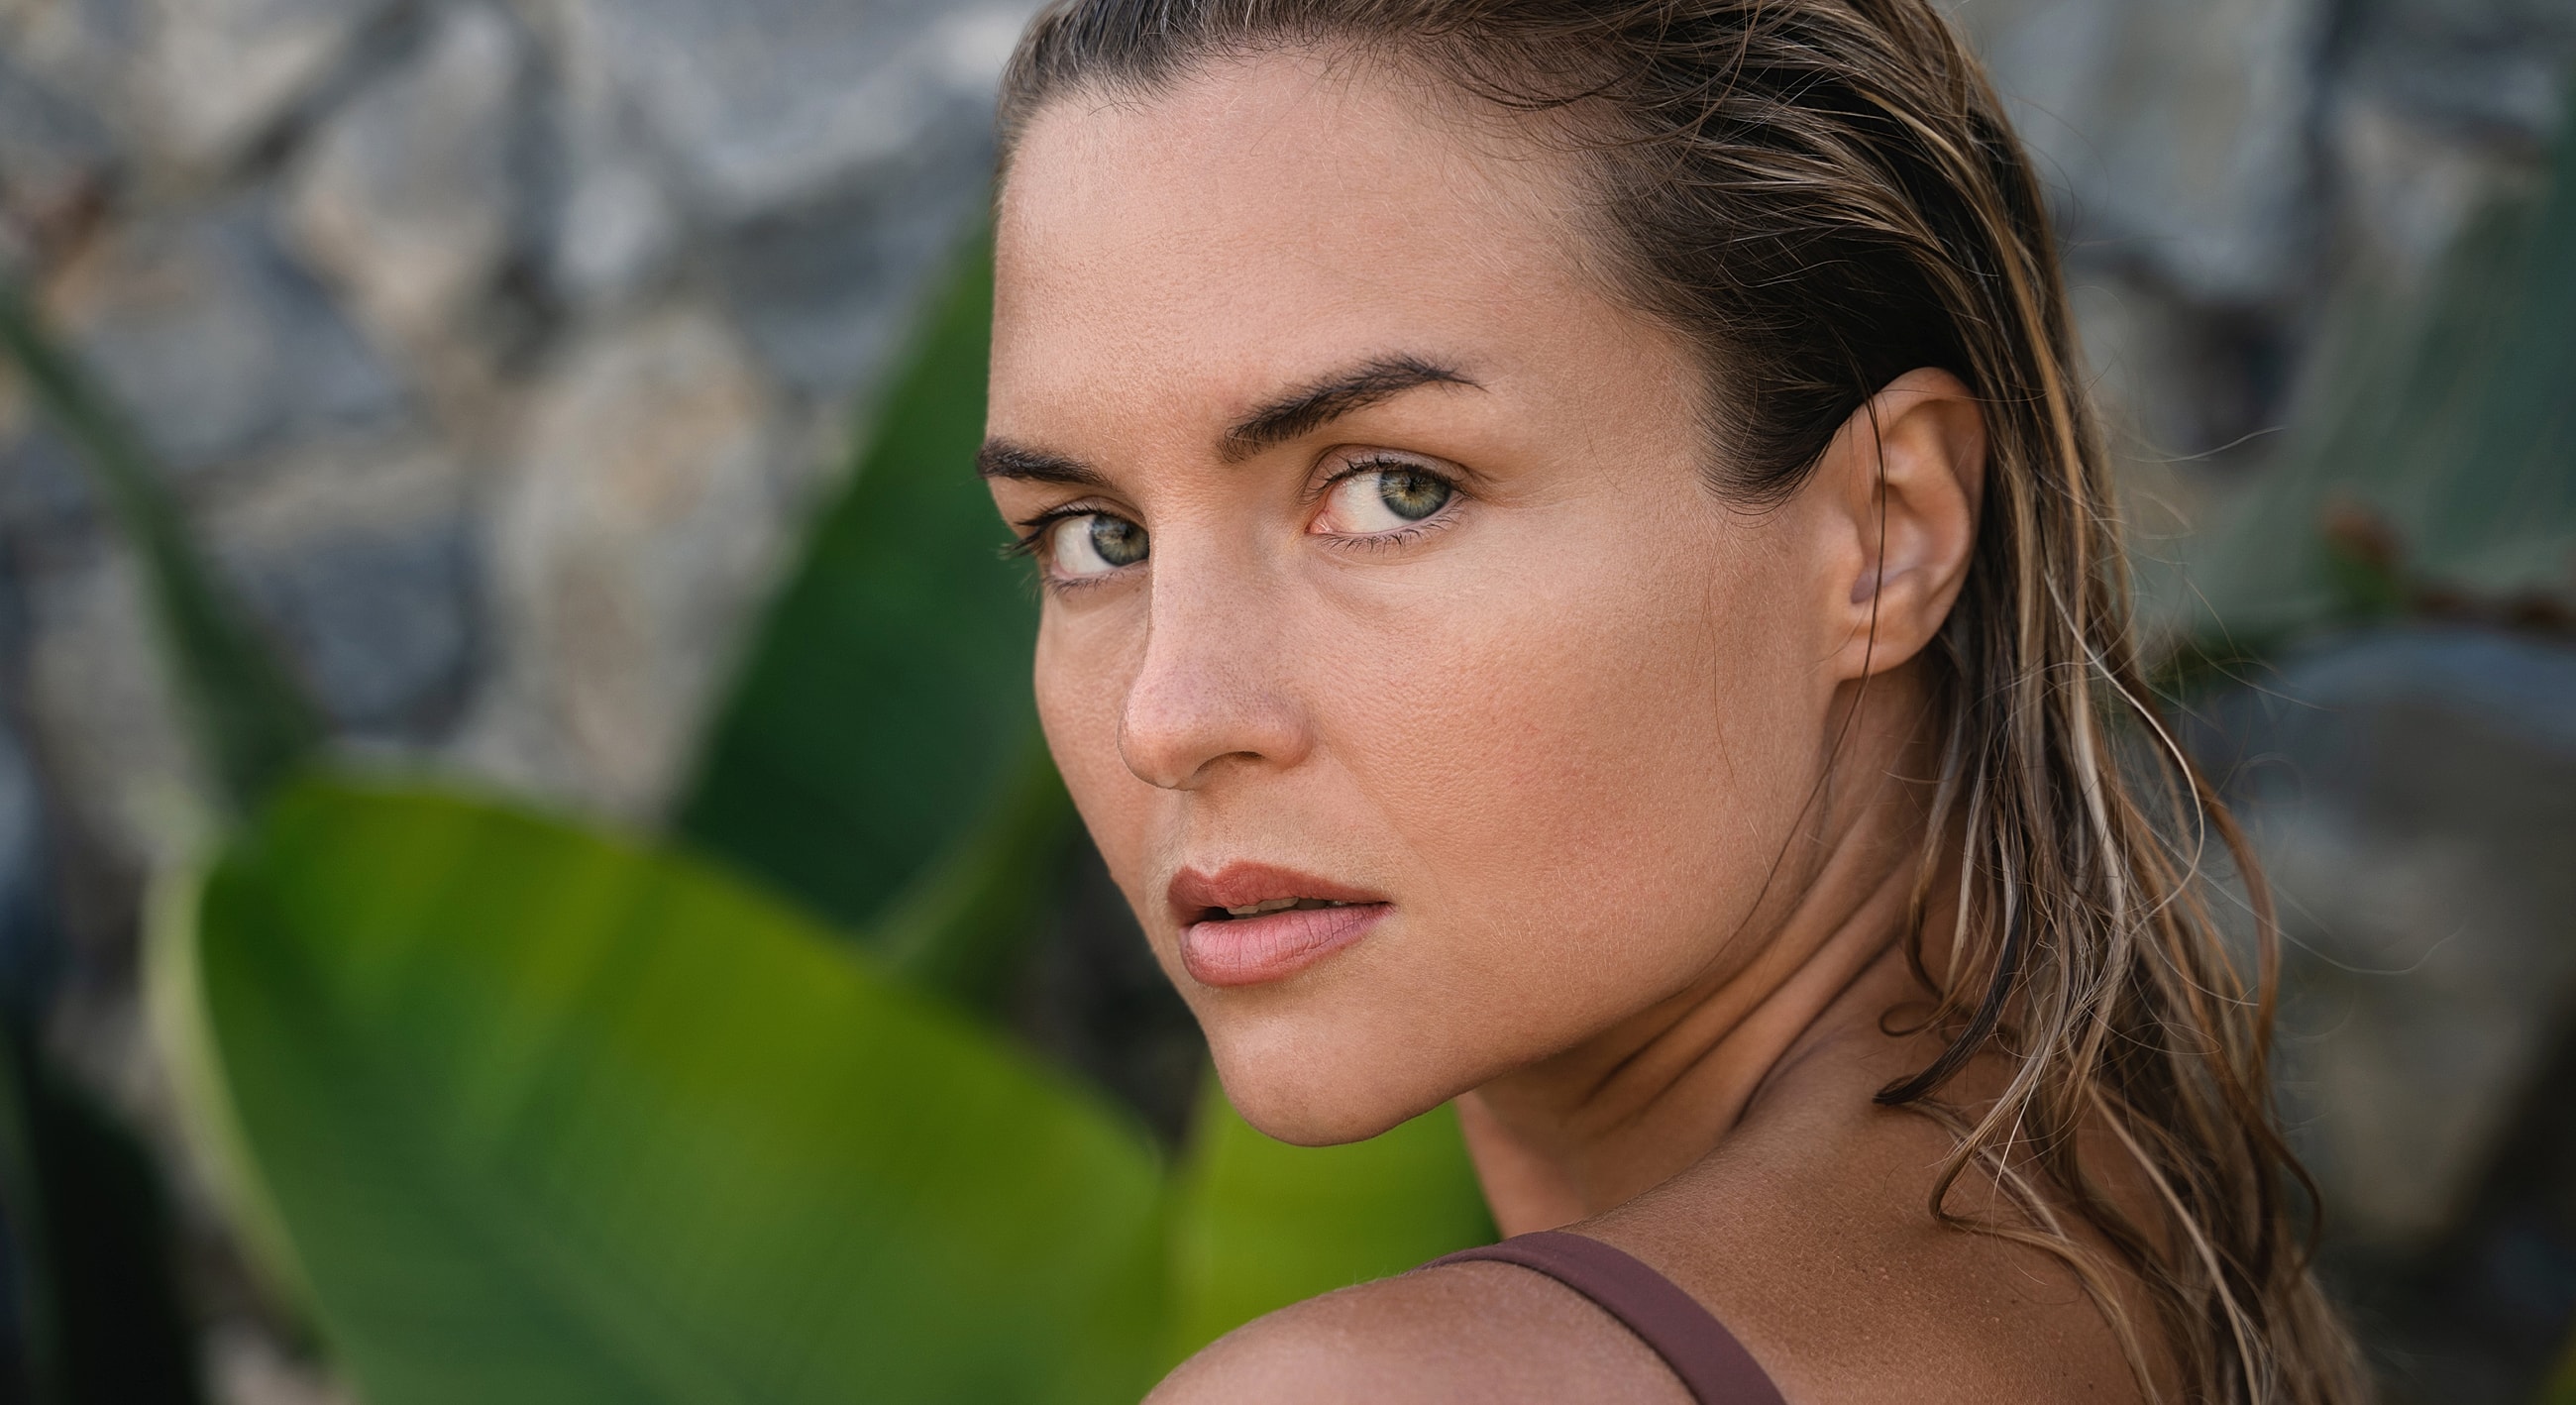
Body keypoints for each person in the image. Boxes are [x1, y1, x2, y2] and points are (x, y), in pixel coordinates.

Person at [979, 2, 2368, 1399]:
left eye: (1395, 488)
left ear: (1885, 530)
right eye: (1093, 534)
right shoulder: (2130, 1252)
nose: (1168, 715)